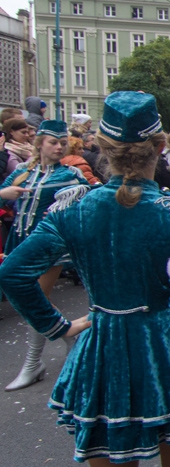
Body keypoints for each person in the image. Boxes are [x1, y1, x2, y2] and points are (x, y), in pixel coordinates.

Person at [0, 91, 170, 467]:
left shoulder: (73, 207)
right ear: (159, 147)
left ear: (102, 148)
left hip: (101, 347)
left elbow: (13, 273)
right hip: (164, 353)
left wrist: (59, 326)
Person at [0, 119, 90, 391]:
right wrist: (4, 193)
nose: (59, 147)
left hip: (51, 246)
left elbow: (90, 200)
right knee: (30, 298)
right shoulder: (21, 174)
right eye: (53, 142)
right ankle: (68, 336)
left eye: (63, 142)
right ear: (39, 143)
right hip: (19, 240)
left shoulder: (71, 174)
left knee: (38, 296)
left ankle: (32, 363)